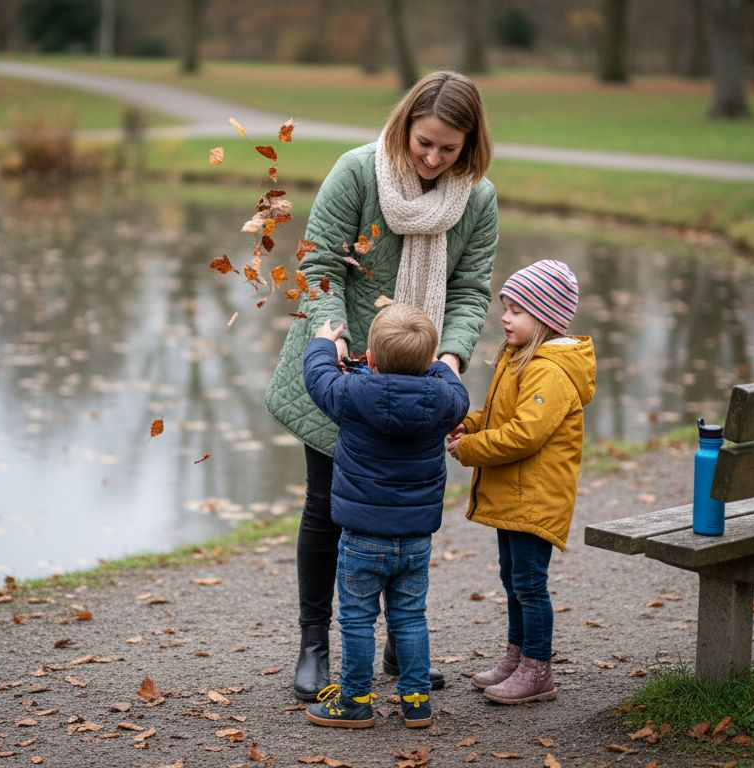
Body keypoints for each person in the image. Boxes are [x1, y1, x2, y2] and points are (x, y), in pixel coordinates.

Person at [264, 70, 498, 701]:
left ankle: (402, 641)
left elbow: (473, 290)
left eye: (448, 149)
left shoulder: (476, 199)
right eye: (424, 142)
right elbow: (317, 266)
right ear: (405, 126)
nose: (431, 158)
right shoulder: (358, 172)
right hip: (342, 369)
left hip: (420, 381)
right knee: (325, 506)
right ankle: (315, 644)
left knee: (404, 515)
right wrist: (332, 332)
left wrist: (450, 358)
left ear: (469, 145)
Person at [299, 304, 470, 728]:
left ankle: (355, 700)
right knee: (410, 616)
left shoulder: (351, 394)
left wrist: (325, 342)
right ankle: (415, 701)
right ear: (429, 360)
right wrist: (433, 363)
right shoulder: (446, 402)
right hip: (414, 540)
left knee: (357, 619)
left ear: (370, 358)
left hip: (361, 539)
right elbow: (455, 386)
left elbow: (317, 377)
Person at [446, 259, 596, 705]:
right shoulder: (518, 358)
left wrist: (471, 451)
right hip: (516, 493)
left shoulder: (550, 371)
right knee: (513, 577)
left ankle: (538, 669)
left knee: (530, 582)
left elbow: (525, 434)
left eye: (516, 311)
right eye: (505, 308)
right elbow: (502, 417)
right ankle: (516, 657)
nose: (505, 317)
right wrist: (470, 425)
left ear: (545, 318)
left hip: (534, 495)